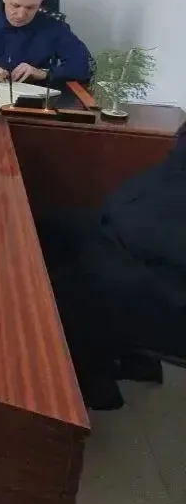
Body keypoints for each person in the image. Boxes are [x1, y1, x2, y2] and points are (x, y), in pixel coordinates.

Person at [38, 127, 186, 410]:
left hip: (163, 275)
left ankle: (93, 385)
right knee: (44, 230)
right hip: (126, 228)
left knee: (57, 291)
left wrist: (124, 226)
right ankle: (108, 358)